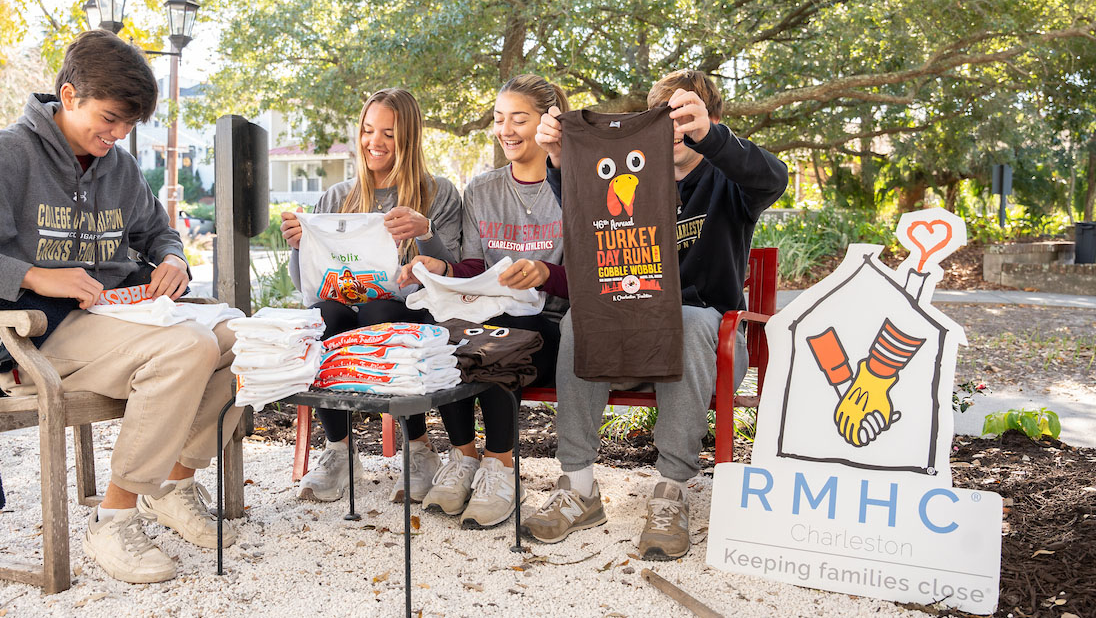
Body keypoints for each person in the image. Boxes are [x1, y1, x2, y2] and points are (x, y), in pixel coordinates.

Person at [0, 30, 243, 583]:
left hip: (113, 319)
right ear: (69, 95)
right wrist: (31, 275)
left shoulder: (120, 168)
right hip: (32, 335)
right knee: (188, 346)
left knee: (240, 339)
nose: (118, 134)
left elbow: (158, 232)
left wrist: (173, 258)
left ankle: (173, 488)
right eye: (109, 118)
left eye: (129, 124)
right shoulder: (4, 157)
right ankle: (115, 518)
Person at [521, 69, 787, 559]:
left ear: (711, 120)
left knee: (686, 322)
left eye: (686, 117)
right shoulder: (631, 174)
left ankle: (671, 492)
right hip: (629, 336)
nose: (675, 128)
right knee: (581, 320)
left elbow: (773, 175)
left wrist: (712, 138)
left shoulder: (730, 181)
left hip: (705, 337)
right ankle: (578, 487)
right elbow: (580, 202)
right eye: (664, 117)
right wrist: (558, 157)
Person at [395, 74, 569, 528]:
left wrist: (547, 273)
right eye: (498, 119)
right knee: (442, 328)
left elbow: (595, 277)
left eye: (519, 119)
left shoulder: (576, 188)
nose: (506, 130)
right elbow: (473, 267)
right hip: (487, 315)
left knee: (501, 334)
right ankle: (464, 457)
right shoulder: (482, 189)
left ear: (550, 122)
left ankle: (502, 465)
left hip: (549, 324)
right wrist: (445, 270)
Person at [282, 88, 463, 504]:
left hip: (415, 315)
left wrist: (427, 233)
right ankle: (338, 451)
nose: (374, 142)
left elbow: (453, 272)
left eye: (388, 133)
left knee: (381, 308)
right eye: (367, 130)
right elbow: (306, 286)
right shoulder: (336, 197)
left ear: (410, 139)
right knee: (324, 314)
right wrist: (297, 246)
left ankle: (417, 449)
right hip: (345, 312)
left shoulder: (439, 193)